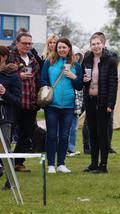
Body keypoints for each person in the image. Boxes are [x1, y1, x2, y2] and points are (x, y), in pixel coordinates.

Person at [40, 38, 83, 174]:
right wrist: (47, 92)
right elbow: (43, 80)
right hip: (52, 105)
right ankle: (51, 164)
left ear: (69, 48)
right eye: (59, 47)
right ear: (55, 48)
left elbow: (80, 86)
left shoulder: (76, 65)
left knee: (64, 135)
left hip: (69, 106)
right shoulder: (49, 62)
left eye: (64, 47)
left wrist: (73, 76)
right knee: (52, 135)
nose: (62, 50)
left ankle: (61, 164)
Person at [81, 33, 118, 173]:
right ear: (90, 45)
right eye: (93, 44)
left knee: (102, 133)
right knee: (92, 133)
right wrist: (84, 80)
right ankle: (93, 163)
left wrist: (111, 104)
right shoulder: (87, 59)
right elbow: (81, 80)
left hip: (103, 102)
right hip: (90, 100)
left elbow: (113, 84)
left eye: (98, 43)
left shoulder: (110, 60)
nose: (96, 46)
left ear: (103, 44)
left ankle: (103, 165)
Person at [9, 32, 40, 173]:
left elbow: (37, 80)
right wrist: (18, 75)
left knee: (26, 134)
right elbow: (3, 74)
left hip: (30, 103)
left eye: (29, 43)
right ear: (17, 43)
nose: (27, 46)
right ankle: (3, 163)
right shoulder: (10, 57)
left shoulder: (33, 58)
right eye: (24, 43)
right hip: (14, 103)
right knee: (7, 134)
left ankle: (18, 163)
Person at [0, 46, 22, 190]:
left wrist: (4, 93)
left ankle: (10, 181)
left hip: (4, 116)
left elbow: (17, 100)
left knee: (5, 149)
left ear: (4, 57)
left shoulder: (12, 76)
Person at [67, 46, 83, 156]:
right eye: (74, 55)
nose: (76, 57)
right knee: (66, 128)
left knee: (74, 128)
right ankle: (65, 148)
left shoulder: (79, 69)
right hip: (68, 101)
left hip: (77, 104)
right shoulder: (66, 68)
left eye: (78, 55)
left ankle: (71, 148)